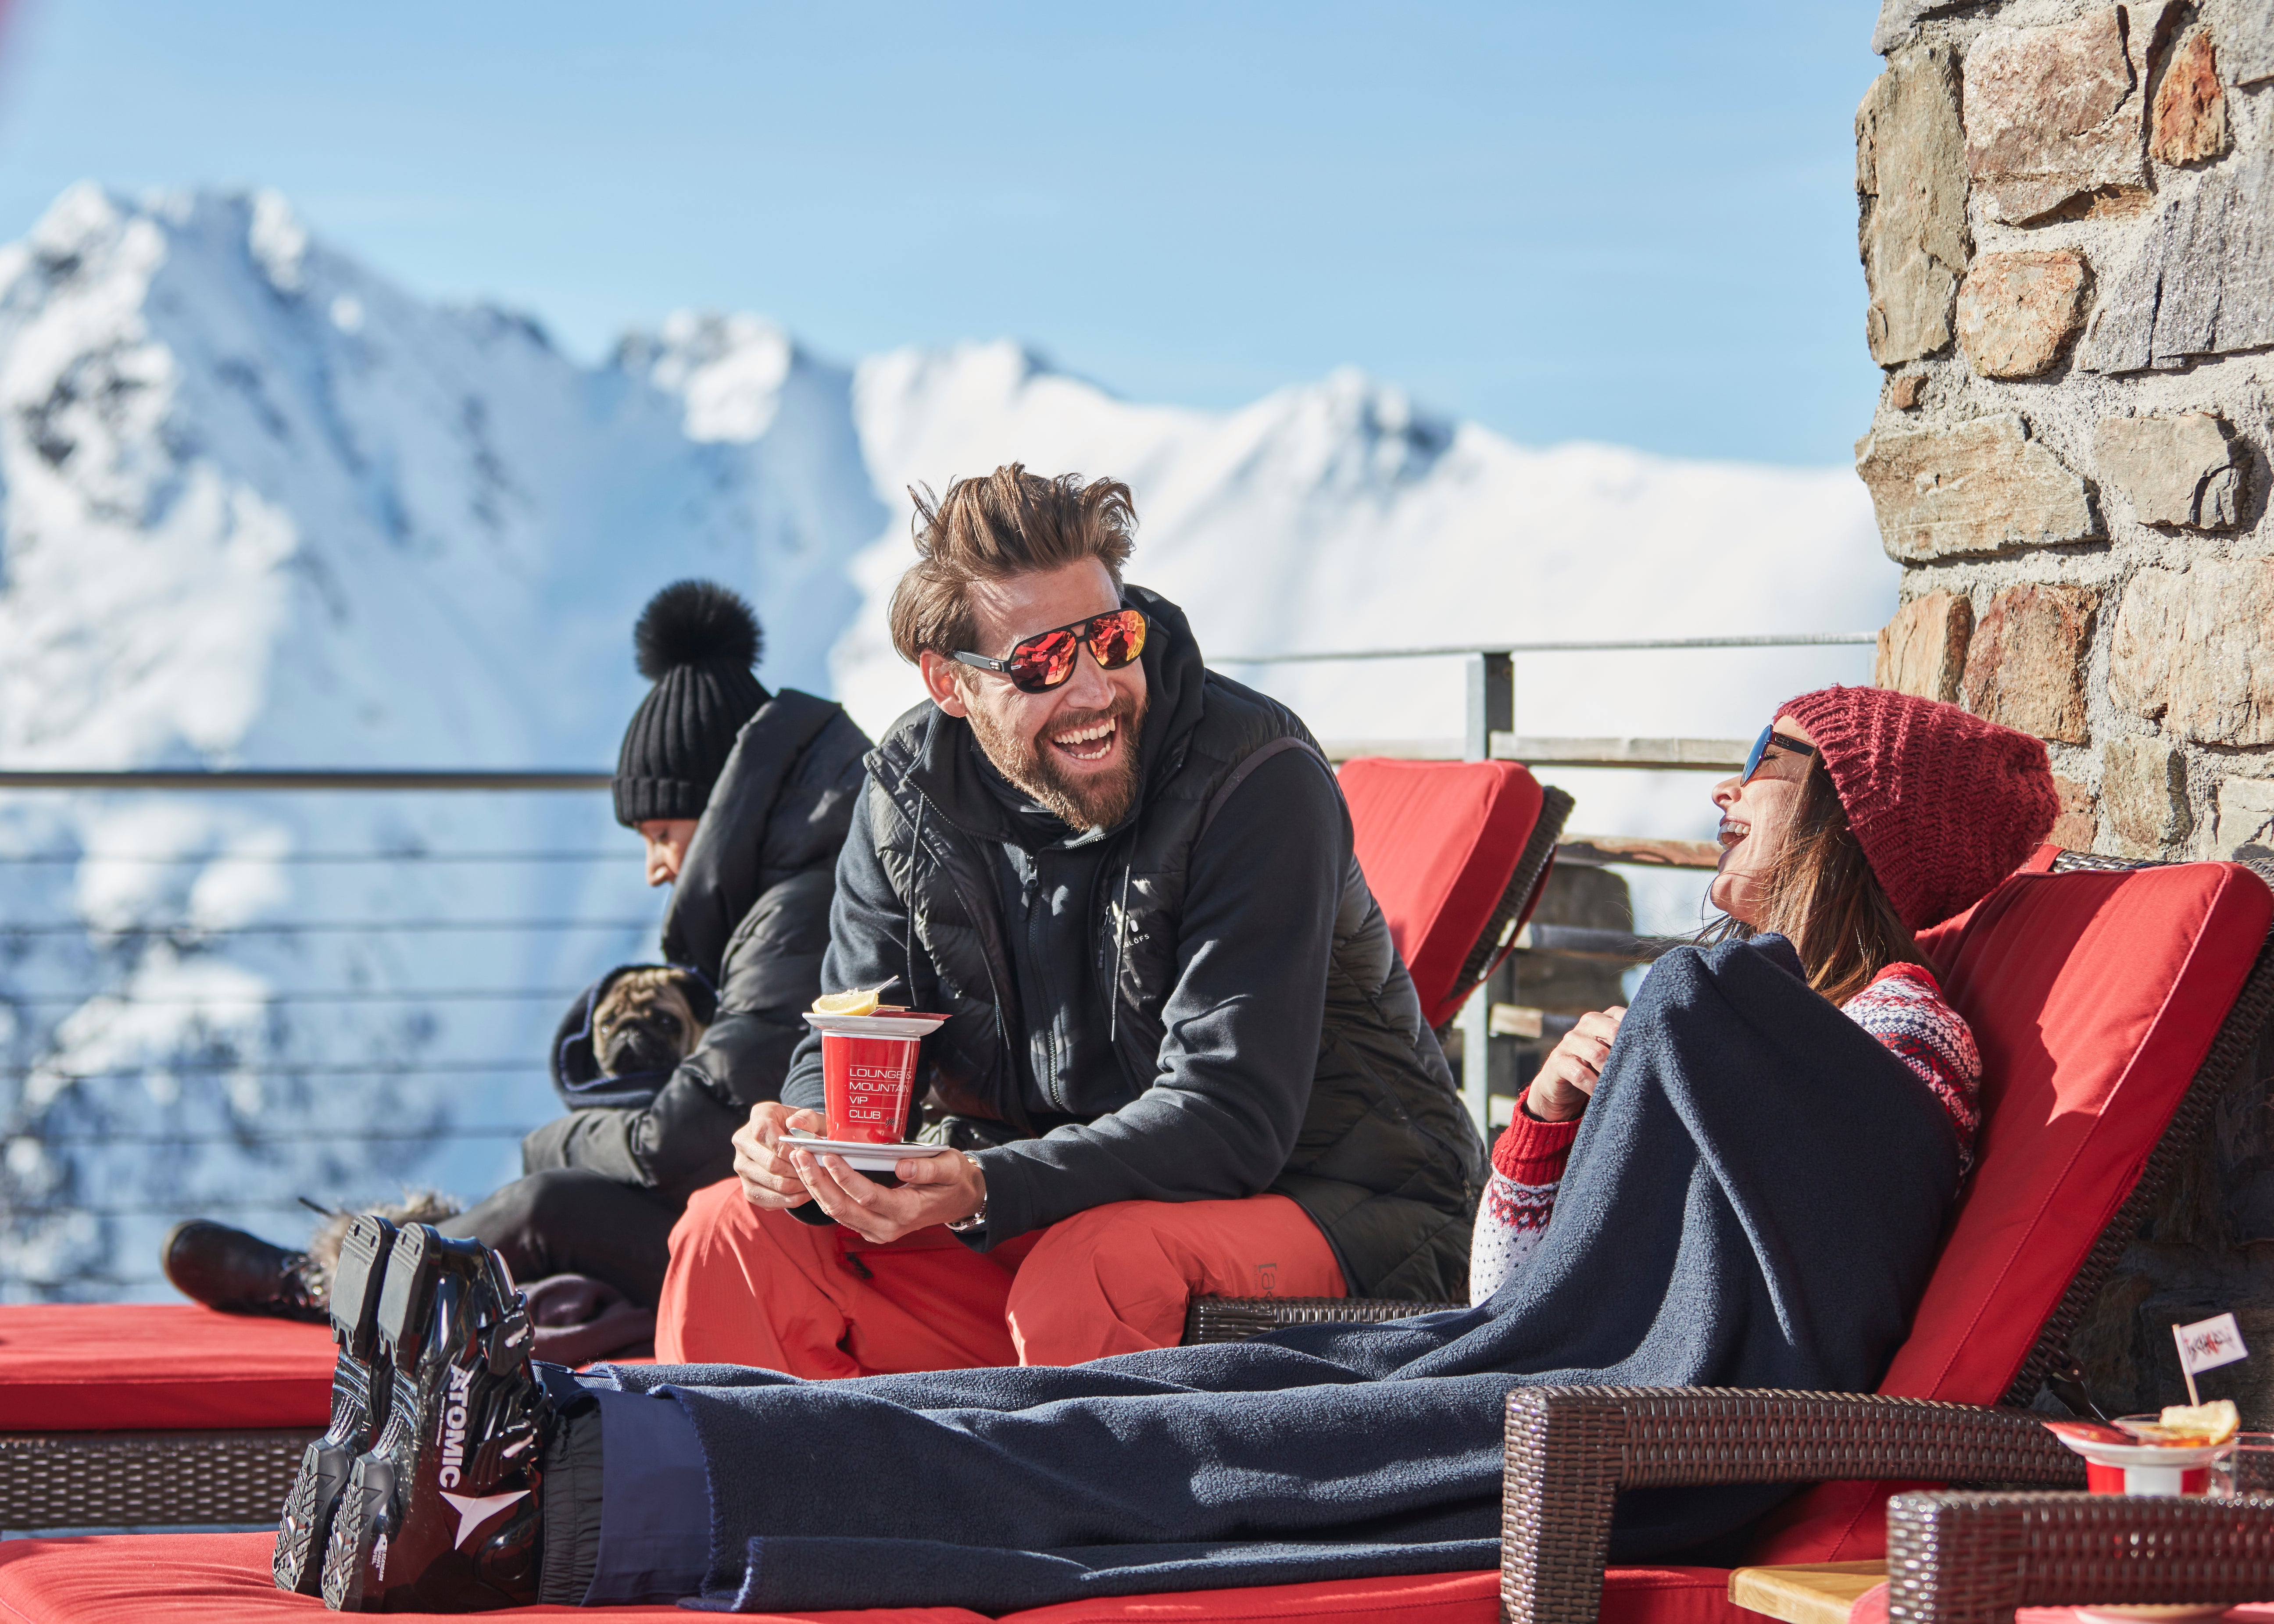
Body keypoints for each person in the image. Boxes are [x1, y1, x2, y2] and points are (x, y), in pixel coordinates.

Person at [272, 683, 2059, 1614]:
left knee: (1117, 1444)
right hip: (1511, 1374)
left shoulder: (1898, 1043)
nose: (1723, 803)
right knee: (1039, 1407)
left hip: (1614, 1442)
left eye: (1759, 779)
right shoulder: (1762, 1039)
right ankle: (549, 1433)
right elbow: (1529, 1280)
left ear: (1843, 824)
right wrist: (1552, 1117)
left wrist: (1683, 1033)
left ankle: (554, 1504)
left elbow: (1763, 1312)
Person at [654, 465, 1486, 1373]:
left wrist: (984, 1184)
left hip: (1342, 1206)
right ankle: (759, 1511)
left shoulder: (1256, 777)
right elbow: (850, 1035)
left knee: (1095, 1273)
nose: (1095, 689)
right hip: (1040, 1210)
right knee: (734, 1232)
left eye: (1111, 638)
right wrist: (808, 1146)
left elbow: (1233, 1117)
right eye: (1045, 662)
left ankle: (1066, 1515)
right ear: (948, 683)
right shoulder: (903, 793)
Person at [160, 580, 869, 1335]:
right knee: (562, 1202)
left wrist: (552, 1143)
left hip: (819, 1251)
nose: (657, 868)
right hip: (801, 1220)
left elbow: (684, 1143)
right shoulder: (796, 882)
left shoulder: (799, 905)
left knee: (548, 1205)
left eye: (661, 832)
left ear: (722, 806)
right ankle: (380, 1274)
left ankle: (340, 1290)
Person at [1469, 685, 1992, 1298]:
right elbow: (1498, 1298)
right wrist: (1547, 1123)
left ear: (1853, 809)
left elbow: (1782, 1307)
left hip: (1643, 1397)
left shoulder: (1903, 1038)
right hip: (1571, 1383)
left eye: (1764, 756)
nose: (1724, 790)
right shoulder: (1738, 1022)